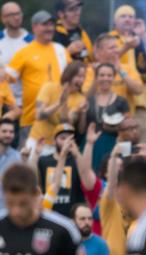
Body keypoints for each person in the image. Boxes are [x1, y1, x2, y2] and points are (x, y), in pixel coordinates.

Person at [7, 10, 70, 141]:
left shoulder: (61, 50)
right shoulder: (23, 53)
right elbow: (6, 79)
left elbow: (73, 77)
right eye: (45, 25)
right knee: (28, 160)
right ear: (34, 27)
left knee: (58, 160)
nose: (50, 28)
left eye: (51, 25)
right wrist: (14, 106)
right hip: (32, 120)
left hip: (58, 121)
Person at [109, 5, 146, 133]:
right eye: (123, 16)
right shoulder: (109, 39)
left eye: (131, 17)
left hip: (142, 102)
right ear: (115, 21)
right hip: (117, 102)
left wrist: (143, 34)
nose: (127, 19)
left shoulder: (142, 40)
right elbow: (106, 61)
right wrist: (127, 46)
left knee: (144, 144)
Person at [27, 61, 87, 155]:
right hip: (37, 141)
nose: (81, 80)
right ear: (68, 75)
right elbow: (39, 115)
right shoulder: (49, 87)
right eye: (79, 76)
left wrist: (64, 104)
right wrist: (59, 103)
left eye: (83, 77)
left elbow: (65, 124)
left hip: (58, 147)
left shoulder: (81, 99)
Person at [84, 63, 130, 171]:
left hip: (113, 145)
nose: (105, 78)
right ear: (96, 77)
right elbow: (82, 128)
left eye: (109, 75)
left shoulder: (121, 101)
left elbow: (128, 128)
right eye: (102, 75)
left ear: (113, 77)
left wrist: (114, 128)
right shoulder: (89, 100)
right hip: (92, 146)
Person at [84, 33, 143, 114]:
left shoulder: (127, 68)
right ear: (99, 52)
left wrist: (121, 72)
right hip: (97, 118)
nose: (116, 50)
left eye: (116, 47)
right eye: (112, 48)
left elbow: (138, 90)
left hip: (124, 120)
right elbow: (86, 97)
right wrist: (96, 76)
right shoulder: (90, 70)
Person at [36, 123, 86, 217]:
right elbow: (36, 183)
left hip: (72, 215)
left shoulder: (77, 159)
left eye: (70, 138)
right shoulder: (44, 160)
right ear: (54, 141)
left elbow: (87, 180)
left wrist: (77, 154)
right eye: (63, 138)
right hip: (49, 212)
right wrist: (35, 155)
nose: (67, 142)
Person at [0, 2, 33, 109]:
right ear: (3, 18)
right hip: (2, 102)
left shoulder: (31, 41)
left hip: (25, 103)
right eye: (12, 14)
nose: (17, 17)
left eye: (19, 13)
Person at [0, 119, 20, 211]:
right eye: (4, 131)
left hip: (7, 210)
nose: (8, 135)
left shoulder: (18, 157)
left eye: (11, 132)